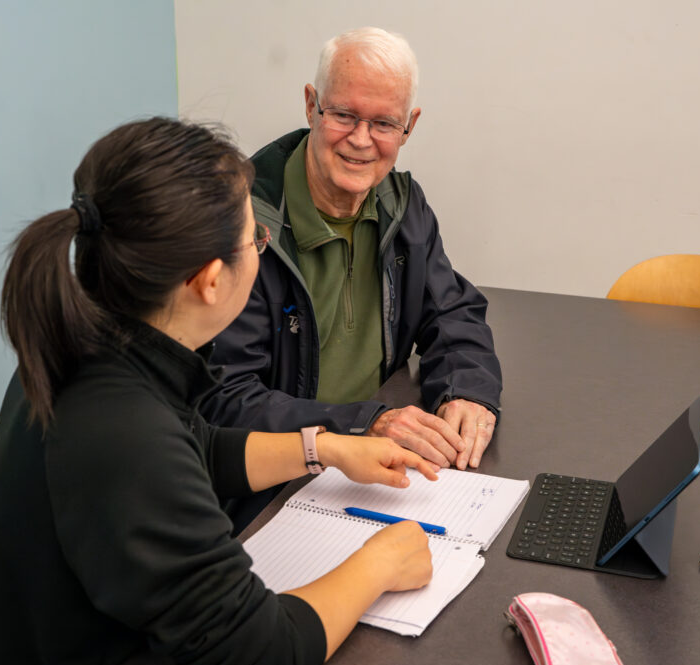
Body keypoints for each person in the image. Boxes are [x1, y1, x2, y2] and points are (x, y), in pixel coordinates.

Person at [0, 117, 437, 665]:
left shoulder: (95, 343)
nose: (263, 241)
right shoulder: (121, 429)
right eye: (255, 238)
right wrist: (379, 564)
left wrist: (322, 448)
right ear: (210, 281)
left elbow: (196, 449)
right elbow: (257, 652)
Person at [200, 27, 502, 502]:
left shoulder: (403, 204)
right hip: (274, 487)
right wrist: (363, 424)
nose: (362, 140)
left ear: (409, 125)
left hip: (371, 472)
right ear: (311, 105)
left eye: (384, 123)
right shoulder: (243, 225)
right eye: (343, 115)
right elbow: (227, 399)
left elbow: (450, 311)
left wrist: (466, 391)